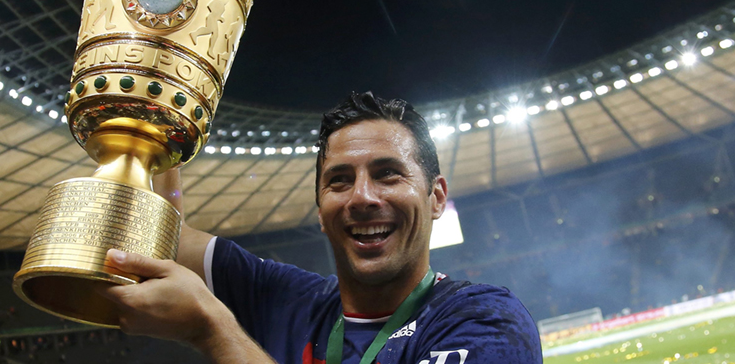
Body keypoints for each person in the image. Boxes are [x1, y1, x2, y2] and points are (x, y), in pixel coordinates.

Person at [101, 91, 543, 364]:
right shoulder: (285, 299)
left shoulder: (485, 321)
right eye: (339, 180)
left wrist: (212, 332)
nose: (362, 197)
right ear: (319, 208)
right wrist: (161, 138)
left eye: (388, 173)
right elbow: (162, 238)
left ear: (436, 197)